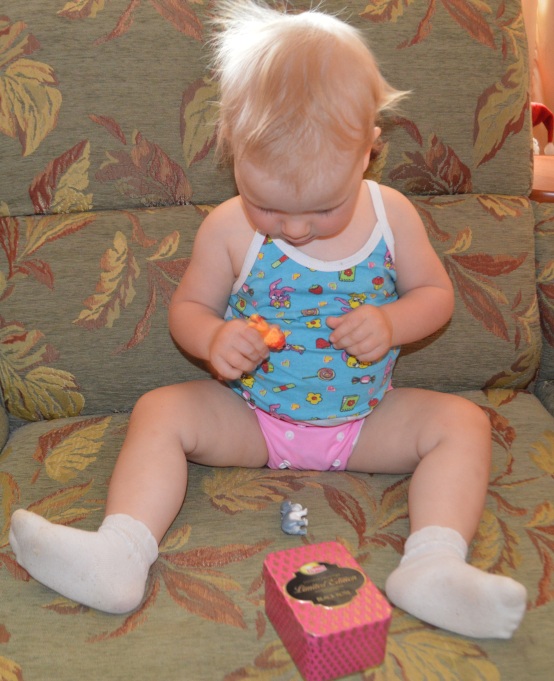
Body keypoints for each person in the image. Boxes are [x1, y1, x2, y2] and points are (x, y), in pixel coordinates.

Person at [9, 0, 527, 639]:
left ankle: (433, 565)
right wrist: (214, 338)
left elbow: (437, 297)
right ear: (231, 146)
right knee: (160, 411)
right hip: (253, 418)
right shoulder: (229, 227)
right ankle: (120, 553)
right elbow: (188, 309)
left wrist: (393, 323)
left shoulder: (392, 215)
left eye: (323, 209)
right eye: (269, 206)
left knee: (464, 424)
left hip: (366, 421)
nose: (296, 229)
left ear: (368, 150)